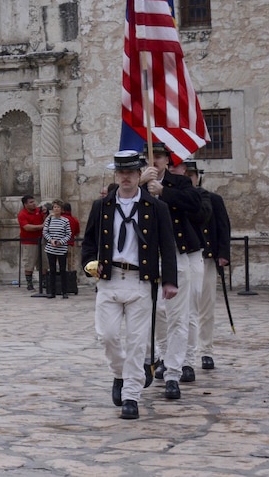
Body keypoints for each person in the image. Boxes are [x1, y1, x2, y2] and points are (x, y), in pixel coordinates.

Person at [81, 150, 178, 420]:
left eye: (131, 172)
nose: (126, 177)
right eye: (121, 172)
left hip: (140, 282)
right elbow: (89, 243)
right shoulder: (101, 207)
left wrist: (170, 280)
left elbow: (167, 246)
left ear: (139, 175)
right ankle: (119, 373)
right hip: (110, 280)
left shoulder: (156, 207)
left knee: (137, 342)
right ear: (116, 175)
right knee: (107, 335)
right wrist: (90, 264)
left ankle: (131, 396)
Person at [141, 142, 203, 392]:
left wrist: (163, 191)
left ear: (167, 160)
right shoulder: (136, 184)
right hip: (146, 257)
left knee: (180, 314)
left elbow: (196, 206)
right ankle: (163, 356)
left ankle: (174, 373)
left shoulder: (180, 184)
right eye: (150, 156)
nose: (154, 160)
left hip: (176, 254)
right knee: (155, 314)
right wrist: (141, 186)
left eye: (159, 156)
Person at [177, 160, 231, 371]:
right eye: (186, 174)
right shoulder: (176, 200)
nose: (190, 178)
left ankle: (206, 350)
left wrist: (223, 254)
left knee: (206, 306)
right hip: (185, 256)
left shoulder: (212, 199)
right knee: (184, 308)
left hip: (207, 258)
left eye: (193, 174)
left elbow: (223, 226)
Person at [42, 200, 72, 298]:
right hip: (51, 248)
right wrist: (51, 240)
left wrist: (61, 242)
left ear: (61, 209)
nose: (56, 209)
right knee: (52, 270)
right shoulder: (49, 220)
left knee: (63, 270)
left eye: (58, 207)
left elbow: (68, 234)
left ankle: (64, 292)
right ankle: (52, 292)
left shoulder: (65, 221)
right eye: (54, 207)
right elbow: (45, 232)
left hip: (62, 248)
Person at [17, 195, 47, 291]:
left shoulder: (39, 210)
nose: (34, 204)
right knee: (29, 263)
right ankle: (29, 283)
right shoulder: (22, 214)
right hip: (29, 242)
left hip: (41, 240)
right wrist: (41, 226)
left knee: (44, 263)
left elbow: (46, 218)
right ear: (25, 204)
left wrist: (46, 211)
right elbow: (27, 227)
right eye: (31, 202)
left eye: (34, 201)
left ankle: (44, 282)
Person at [62, 199, 82, 294]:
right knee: (71, 265)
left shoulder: (60, 219)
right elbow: (77, 233)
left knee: (60, 265)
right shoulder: (74, 220)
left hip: (60, 245)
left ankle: (61, 283)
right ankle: (71, 283)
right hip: (70, 244)